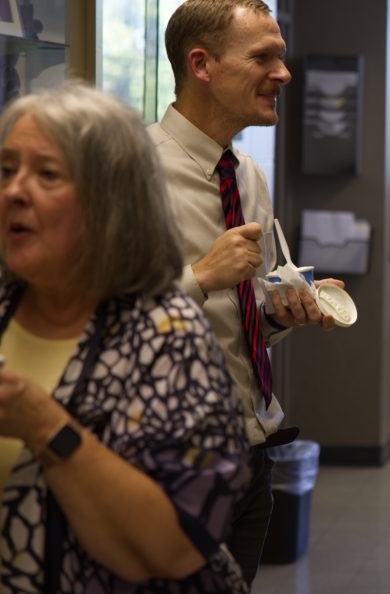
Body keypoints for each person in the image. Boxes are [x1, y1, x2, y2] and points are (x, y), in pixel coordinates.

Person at [0, 83, 250, 592]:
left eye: (47, 174)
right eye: (7, 170)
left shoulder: (166, 334)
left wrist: (45, 424)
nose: (14, 191)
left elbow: (174, 546)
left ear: (110, 201)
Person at [149, 0, 345, 586]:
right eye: (263, 58)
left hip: (253, 450)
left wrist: (282, 313)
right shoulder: (128, 170)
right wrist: (200, 277)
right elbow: (90, 319)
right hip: (167, 459)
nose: (283, 73)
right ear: (201, 65)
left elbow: (238, 321)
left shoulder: (247, 173)